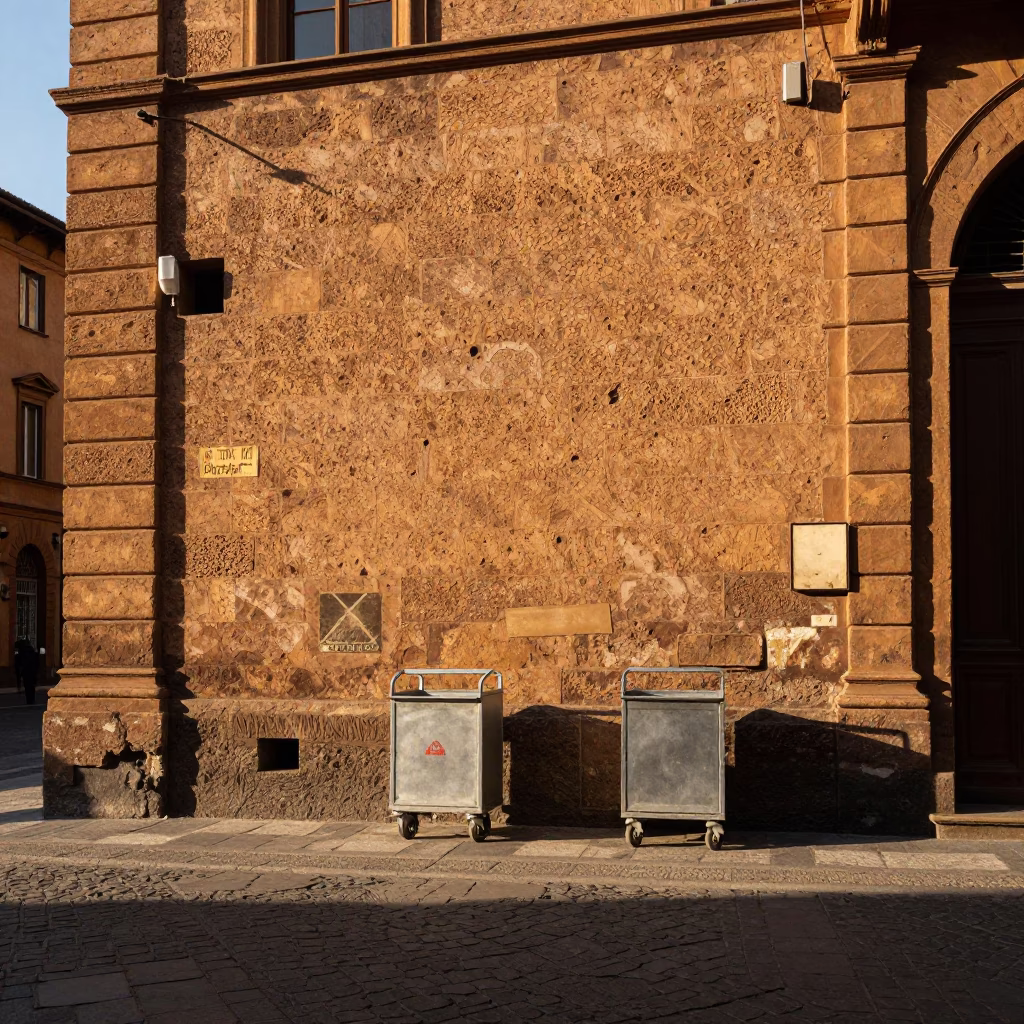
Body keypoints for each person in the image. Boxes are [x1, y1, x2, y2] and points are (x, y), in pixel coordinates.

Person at [13, 638, 38, 705]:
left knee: (27, 686)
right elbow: (37, 664)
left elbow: (18, 666)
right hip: (32, 672)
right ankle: (32, 699)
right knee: (32, 686)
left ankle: (29, 700)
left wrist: (18, 681)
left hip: (25, 672)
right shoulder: (33, 653)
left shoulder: (20, 654)